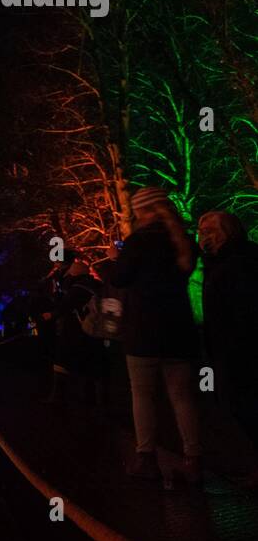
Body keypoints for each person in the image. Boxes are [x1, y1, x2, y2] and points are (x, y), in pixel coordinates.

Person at [104, 186, 202, 486]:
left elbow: (120, 278)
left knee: (143, 395)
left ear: (139, 211)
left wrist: (112, 258)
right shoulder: (184, 243)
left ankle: (146, 458)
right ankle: (194, 459)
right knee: (182, 396)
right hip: (179, 329)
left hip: (143, 330)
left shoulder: (137, 242)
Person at [198, 210, 258, 488]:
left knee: (245, 405)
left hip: (241, 348)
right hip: (230, 347)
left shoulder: (237, 262)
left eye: (209, 230)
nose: (203, 235)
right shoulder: (220, 261)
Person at [44, 256, 106, 406]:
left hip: (76, 330)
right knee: (90, 365)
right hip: (94, 331)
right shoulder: (95, 286)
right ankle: (95, 400)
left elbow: (65, 305)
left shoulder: (77, 289)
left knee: (62, 360)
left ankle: (59, 397)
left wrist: (51, 314)